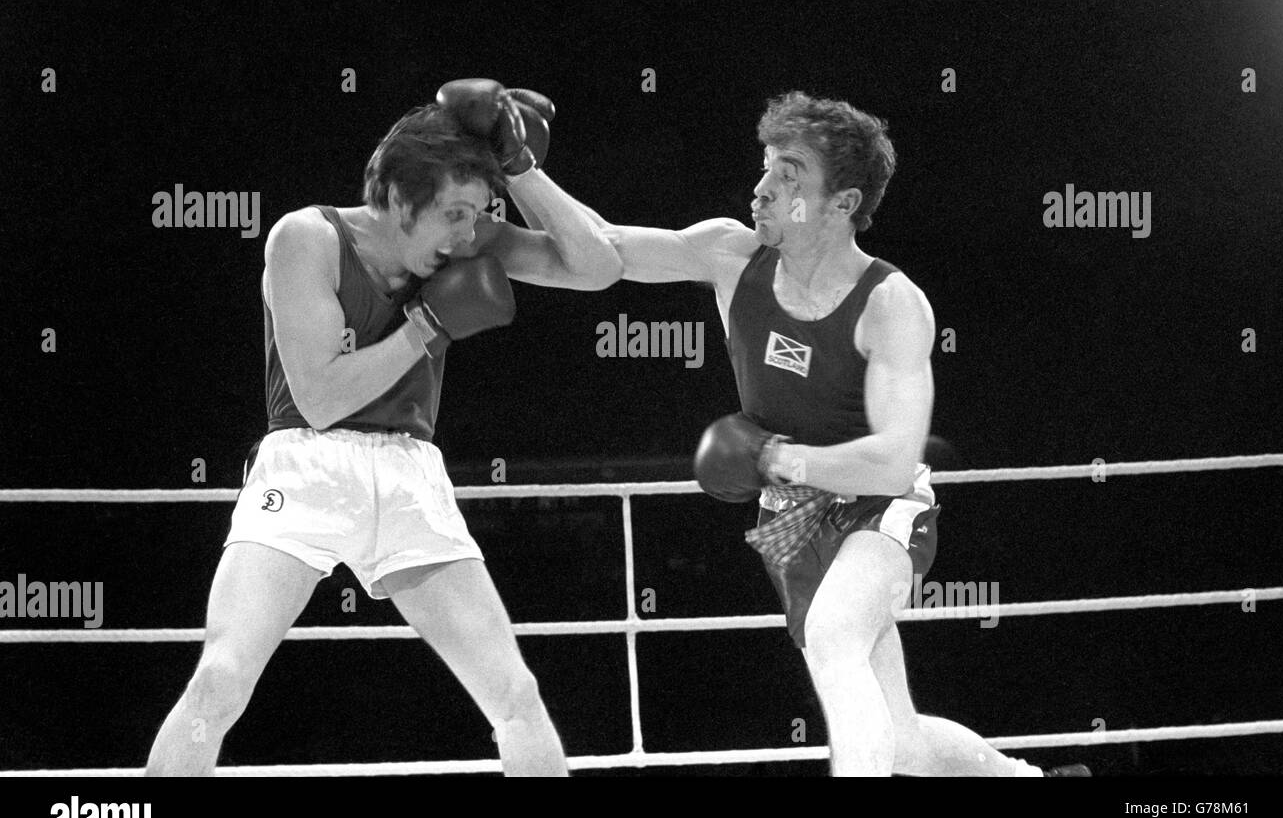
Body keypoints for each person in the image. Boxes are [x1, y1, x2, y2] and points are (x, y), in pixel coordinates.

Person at [575, 91, 1090, 777]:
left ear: (842, 202)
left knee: (834, 638)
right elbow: (600, 250)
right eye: (765, 168)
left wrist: (776, 457)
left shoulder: (891, 303)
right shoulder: (734, 257)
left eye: (788, 175)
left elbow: (891, 463)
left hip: (883, 511)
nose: (761, 189)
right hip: (793, 521)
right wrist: (514, 171)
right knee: (896, 737)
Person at [145, 80, 621, 776]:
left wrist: (521, 169)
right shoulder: (305, 238)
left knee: (516, 694)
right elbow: (321, 400)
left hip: (409, 473)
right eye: (454, 214)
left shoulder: (467, 240)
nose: (468, 234)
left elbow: (598, 266)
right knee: (221, 679)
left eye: (477, 214)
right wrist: (428, 325)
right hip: (307, 469)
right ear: (399, 199)